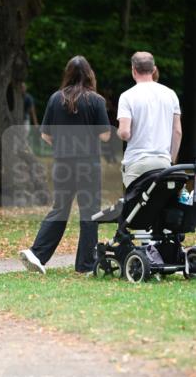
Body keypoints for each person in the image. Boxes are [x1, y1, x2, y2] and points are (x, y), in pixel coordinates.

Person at [19, 55, 110, 276]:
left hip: (62, 164)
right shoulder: (96, 100)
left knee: (60, 209)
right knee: (89, 213)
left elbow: (45, 135)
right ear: (89, 75)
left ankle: (37, 253)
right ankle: (86, 265)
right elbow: (106, 135)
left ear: (67, 74)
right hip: (88, 165)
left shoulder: (54, 99)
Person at [117, 52, 181, 188]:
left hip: (137, 163)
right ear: (154, 69)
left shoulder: (127, 96)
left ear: (133, 70)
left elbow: (124, 133)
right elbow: (177, 132)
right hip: (163, 163)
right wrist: (171, 161)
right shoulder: (171, 94)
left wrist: (120, 132)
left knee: (135, 206)